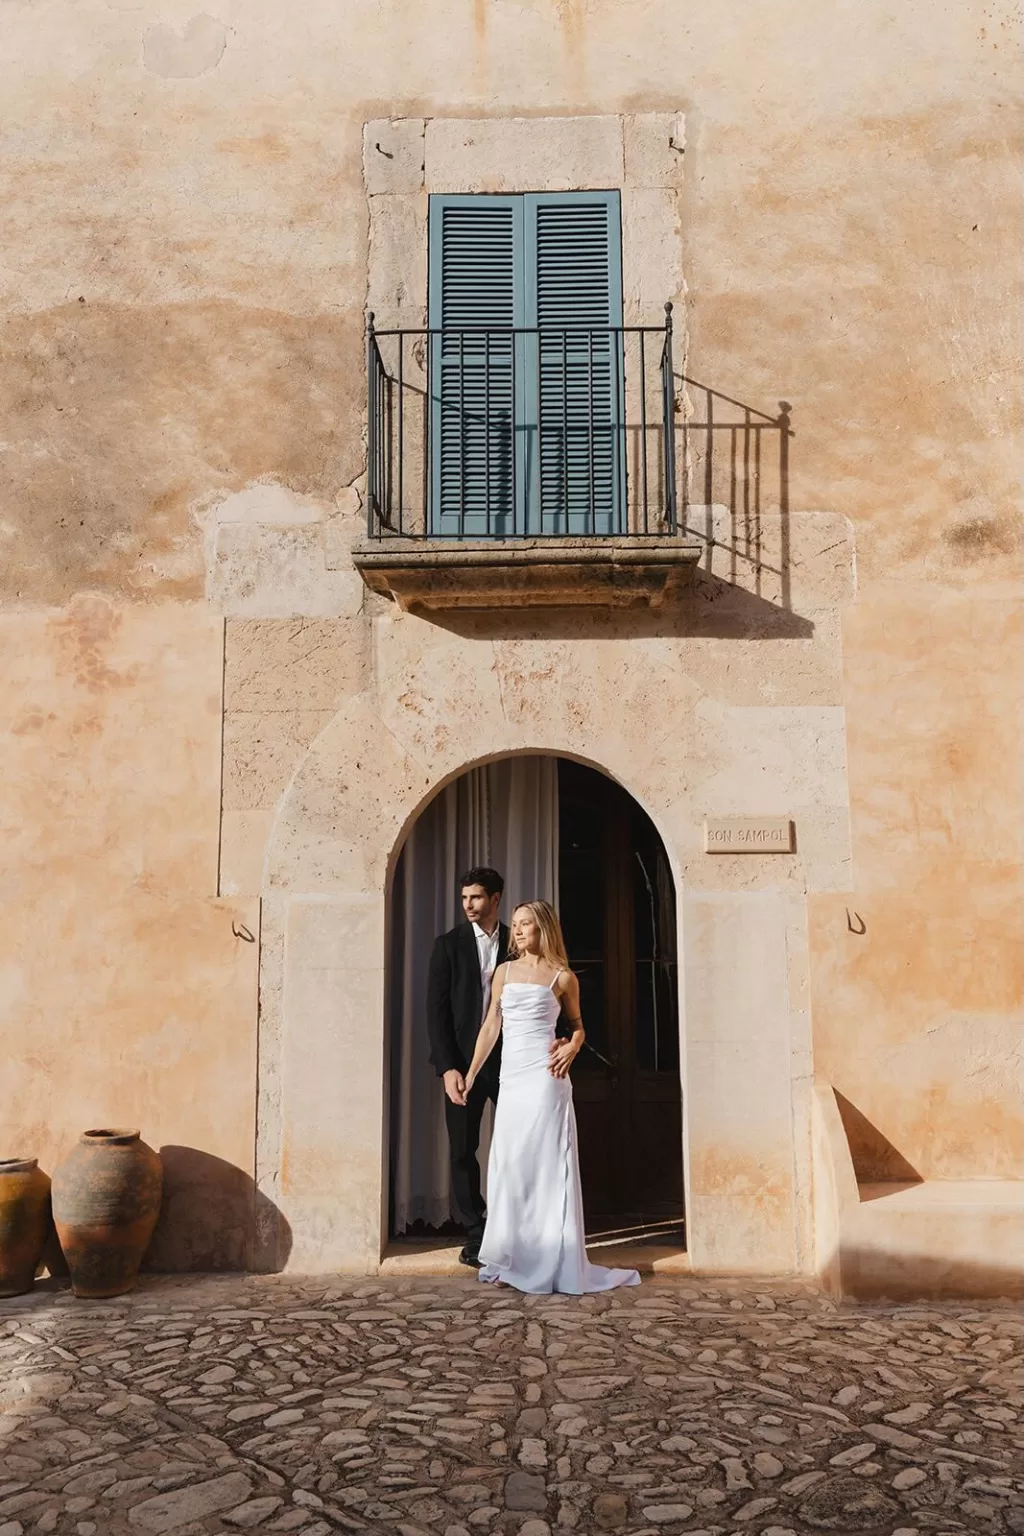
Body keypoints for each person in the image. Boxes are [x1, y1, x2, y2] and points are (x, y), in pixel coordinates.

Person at [457, 899, 640, 1295]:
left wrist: (574, 1046)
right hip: (512, 1077)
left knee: (544, 1163)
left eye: (527, 925)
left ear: (544, 929)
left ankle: (551, 1257)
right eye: (517, 925)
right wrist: (471, 1073)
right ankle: (514, 1254)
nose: (518, 931)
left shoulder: (563, 977)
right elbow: (491, 1025)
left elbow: (577, 1027)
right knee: (511, 1160)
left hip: (545, 1078)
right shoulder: (503, 972)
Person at [426, 867, 510, 1269]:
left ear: (495, 899)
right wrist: (447, 1069)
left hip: (512, 1062)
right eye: (464, 899)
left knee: (516, 1148)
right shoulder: (448, 945)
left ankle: (512, 1226)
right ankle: (476, 1233)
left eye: (476, 898)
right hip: (463, 1064)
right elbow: (435, 1013)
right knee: (462, 1149)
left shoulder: (519, 941)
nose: (468, 906)